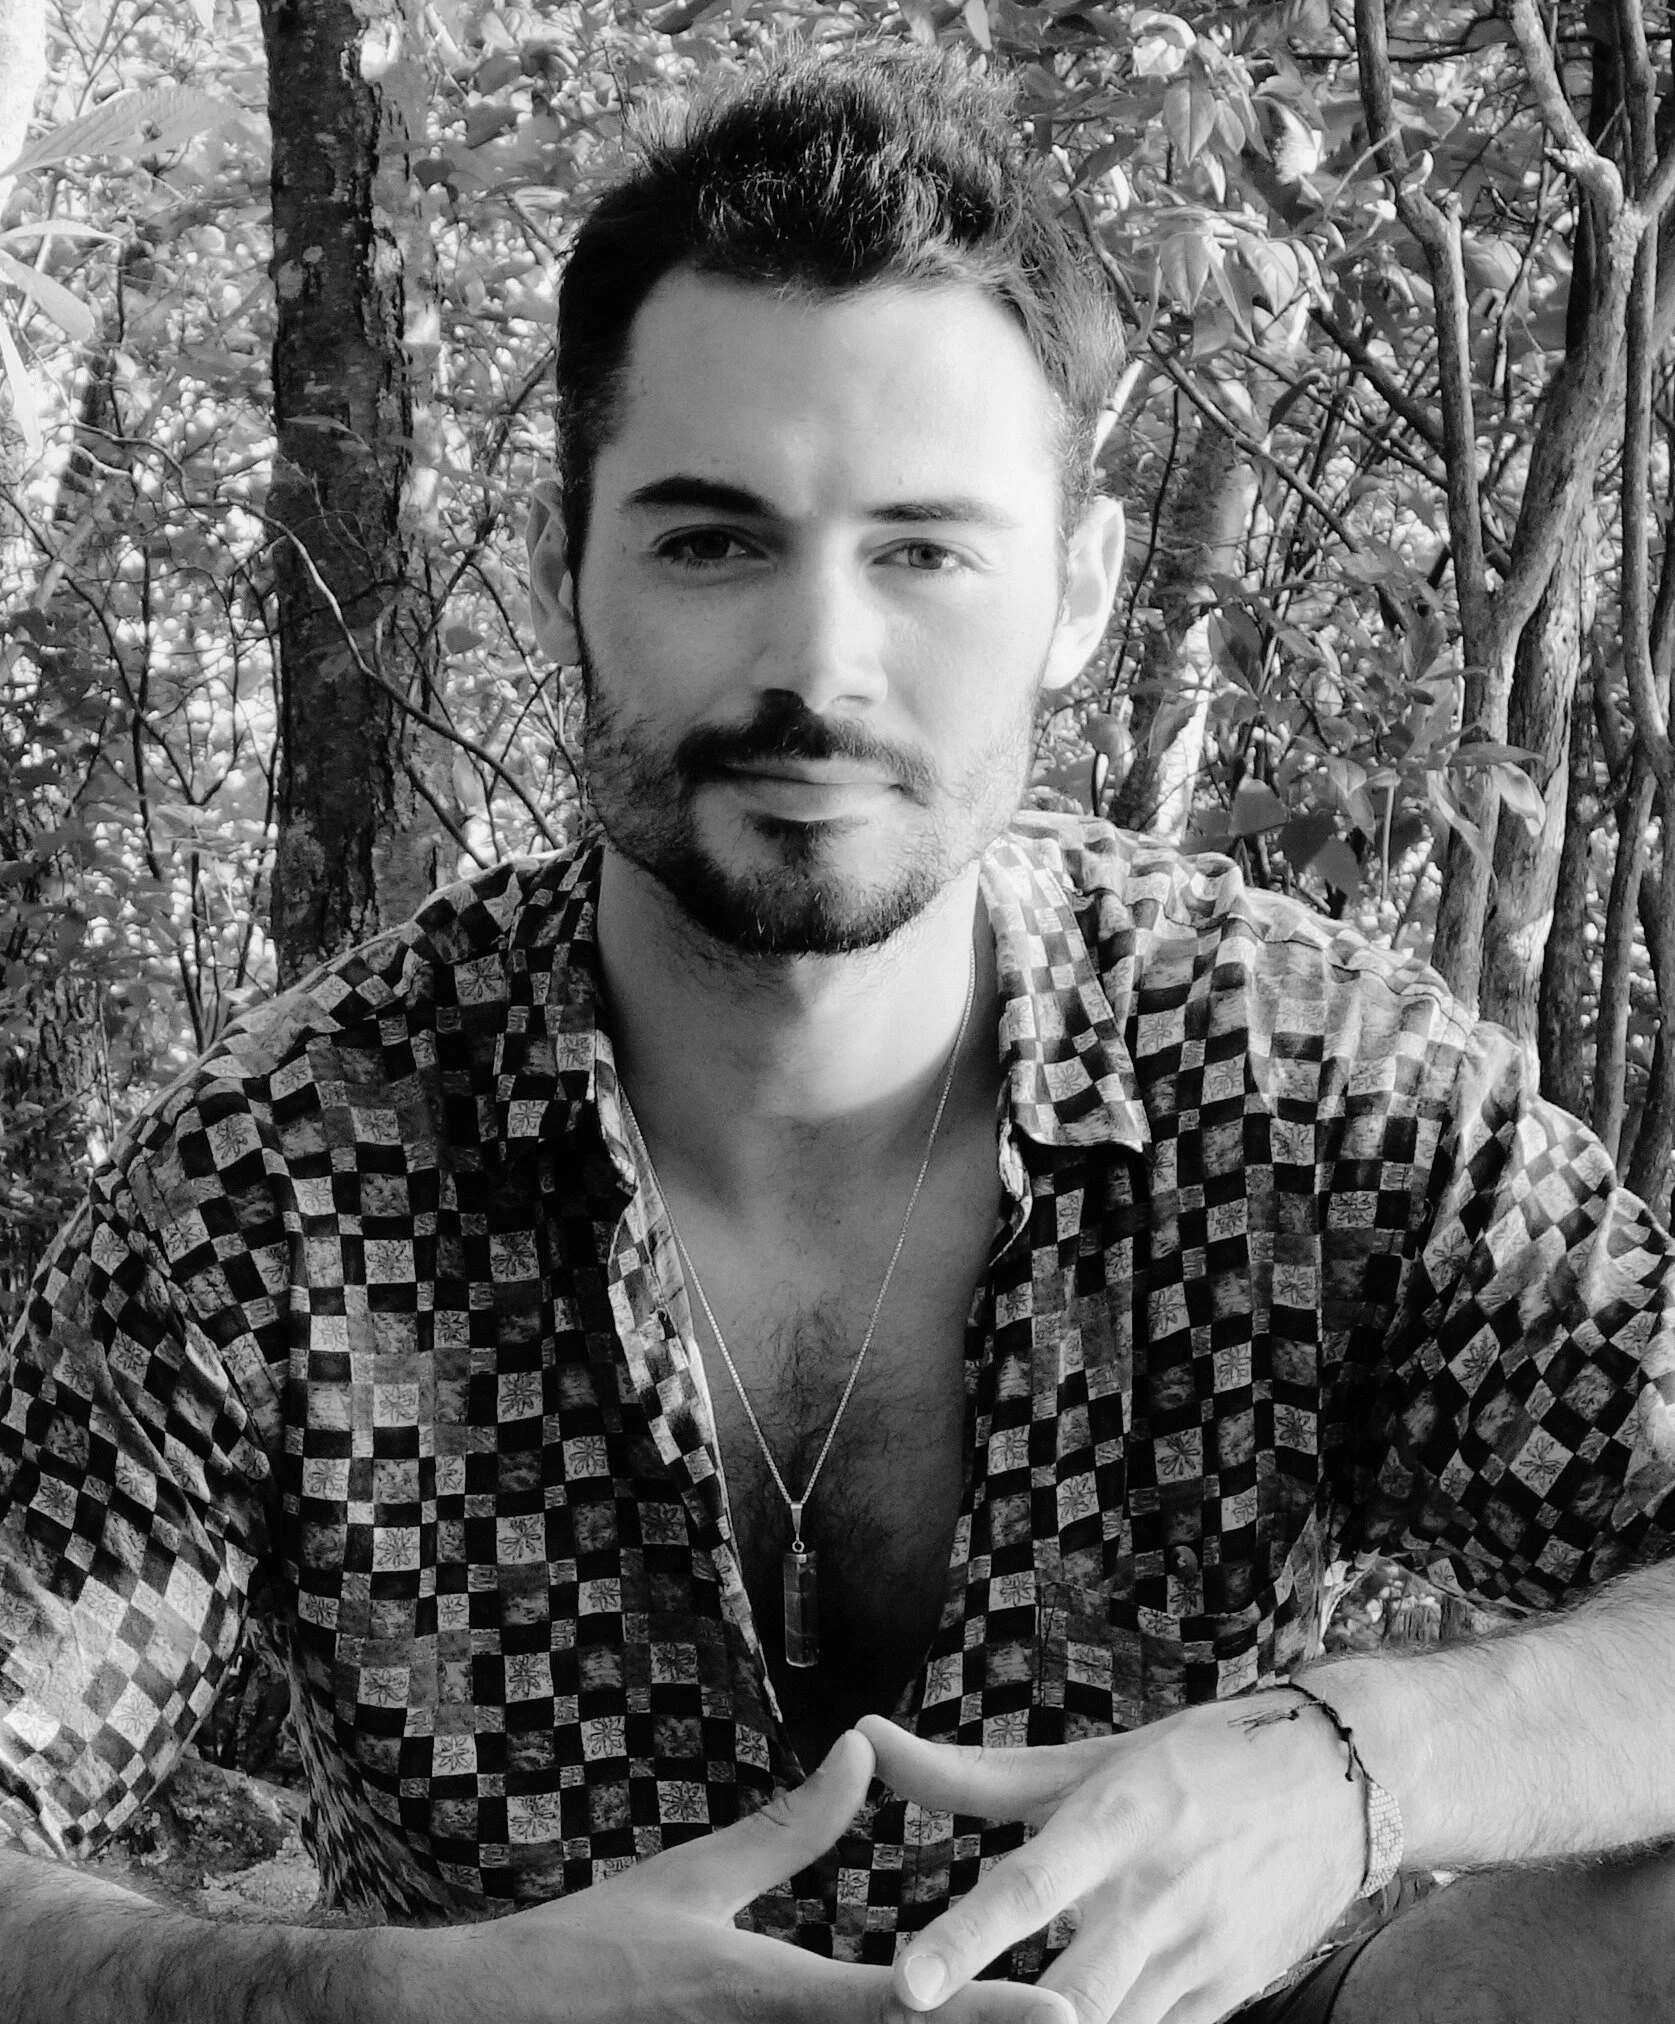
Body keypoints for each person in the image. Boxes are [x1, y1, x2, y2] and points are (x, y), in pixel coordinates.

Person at [3, 42, 1675, 2024]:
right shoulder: (276, 1189)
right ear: (562, 578)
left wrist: (1359, 1765)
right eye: (713, 541)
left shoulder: (1307, 1085)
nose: (818, 662)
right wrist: (409, 2004)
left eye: (923, 548)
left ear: (1075, 590)